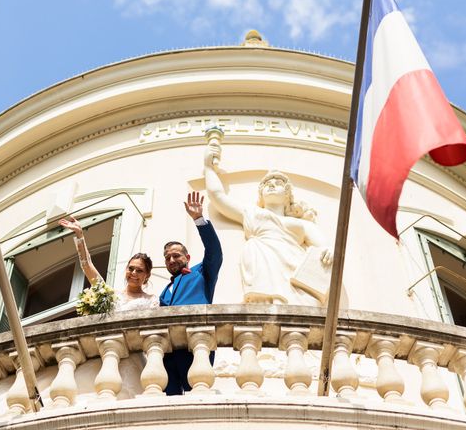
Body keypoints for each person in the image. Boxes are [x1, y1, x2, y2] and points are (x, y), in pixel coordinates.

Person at [203, 143, 332, 305]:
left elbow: (324, 247)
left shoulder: (300, 224)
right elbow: (218, 197)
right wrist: (208, 168)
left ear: (287, 195)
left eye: (278, 183)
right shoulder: (252, 213)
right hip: (262, 267)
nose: (271, 185)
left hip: (295, 273)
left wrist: (330, 251)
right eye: (266, 184)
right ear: (261, 195)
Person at [160, 191, 223, 395]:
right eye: (167, 257)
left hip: (195, 346)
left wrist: (198, 219)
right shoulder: (164, 291)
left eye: (176, 255)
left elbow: (214, 251)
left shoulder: (201, 272)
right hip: (168, 354)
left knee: (197, 390)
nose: (171, 260)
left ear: (187, 257)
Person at [59, 216, 158, 311]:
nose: (134, 273)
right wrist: (79, 233)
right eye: (131, 268)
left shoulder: (151, 300)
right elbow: (87, 265)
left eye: (139, 270)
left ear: (147, 275)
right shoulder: (110, 294)